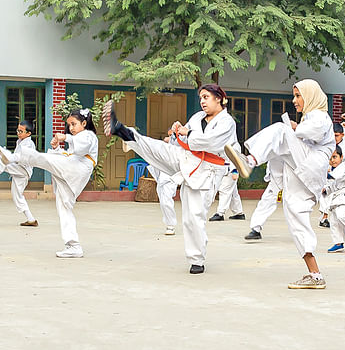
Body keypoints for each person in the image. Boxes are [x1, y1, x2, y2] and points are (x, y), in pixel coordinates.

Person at [103, 84, 237, 274]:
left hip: (207, 170)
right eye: (200, 98)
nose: (202, 101)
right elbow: (182, 139)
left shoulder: (227, 122)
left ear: (219, 98)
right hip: (186, 157)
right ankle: (122, 130)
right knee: (156, 148)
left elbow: (210, 142)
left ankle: (197, 259)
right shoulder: (198, 117)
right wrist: (176, 131)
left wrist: (187, 133)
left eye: (206, 97)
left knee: (194, 217)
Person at [226, 79, 335, 289]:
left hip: (311, 164)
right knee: (294, 214)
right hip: (304, 173)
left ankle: (250, 161)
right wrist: (296, 128)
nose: (294, 101)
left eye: (298, 95)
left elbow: (312, 132)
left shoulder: (319, 116)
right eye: (293, 96)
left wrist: (295, 128)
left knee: (279, 131)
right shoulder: (310, 118)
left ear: (310, 95)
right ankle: (315, 274)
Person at [0, 109, 98, 258]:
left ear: (84, 123)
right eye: (69, 125)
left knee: (46, 160)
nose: (71, 128)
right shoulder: (78, 137)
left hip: (78, 168)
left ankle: (12, 158)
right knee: (64, 208)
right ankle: (73, 246)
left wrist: (65, 138)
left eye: (74, 124)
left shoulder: (89, 135)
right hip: (72, 171)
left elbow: (82, 147)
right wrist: (57, 147)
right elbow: (71, 153)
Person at [0, 120, 38, 227]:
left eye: (21, 131)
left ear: (28, 133)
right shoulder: (19, 141)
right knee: (17, 196)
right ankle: (31, 219)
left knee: (0, 161)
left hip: (23, 169)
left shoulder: (29, 144)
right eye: (17, 130)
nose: (18, 133)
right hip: (19, 170)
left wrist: (8, 157)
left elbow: (20, 157)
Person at [147, 133, 179, 235]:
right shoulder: (162, 151)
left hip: (170, 180)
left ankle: (171, 225)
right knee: (163, 203)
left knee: (166, 201)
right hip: (161, 180)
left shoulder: (176, 150)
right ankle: (169, 223)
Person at [243, 165, 281, 241]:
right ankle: (256, 229)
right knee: (266, 203)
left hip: (291, 178)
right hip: (277, 180)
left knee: (297, 207)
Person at [209, 142, 245, 222]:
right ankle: (238, 212)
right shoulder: (222, 140)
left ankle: (220, 213)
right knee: (233, 193)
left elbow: (236, 158)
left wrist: (235, 171)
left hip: (230, 170)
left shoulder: (234, 144)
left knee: (224, 190)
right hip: (223, 168)